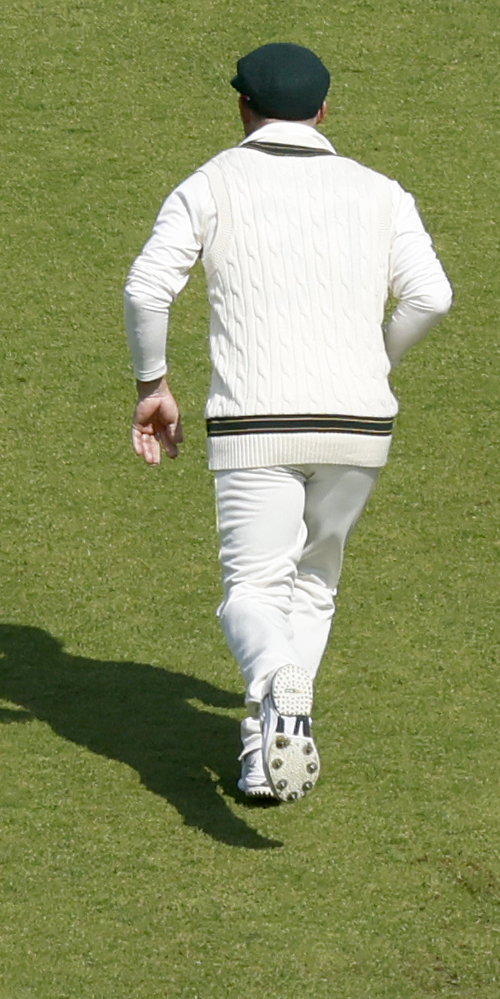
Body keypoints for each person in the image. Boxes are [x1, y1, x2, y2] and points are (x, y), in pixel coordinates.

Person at [120, 42, 450, 809]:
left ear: (243, 106)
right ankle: (262, 751)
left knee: (251, 590)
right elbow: (431, 297)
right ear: (324, 112)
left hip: (254, 423)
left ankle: (275, 681)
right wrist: (375, 360)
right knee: (314, 584)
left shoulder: (211, 183)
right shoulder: (381, 191)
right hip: (360, 424)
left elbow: (146, 289)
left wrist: (153, 385)